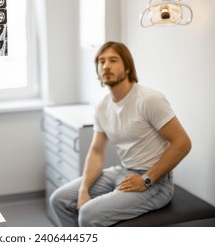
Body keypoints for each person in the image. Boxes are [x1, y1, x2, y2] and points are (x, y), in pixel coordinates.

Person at [50, 41, 191, 227]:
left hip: (155, 183)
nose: (106, 66)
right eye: (101, 61)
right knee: (59, 200)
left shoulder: (149, 99)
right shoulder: (102, 106)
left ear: (127, 68)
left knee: (88, 214)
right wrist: (84, 190)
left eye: (113, 60)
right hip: (123, 171)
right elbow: (97, 151)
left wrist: (147, 179)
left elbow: (182, 143)